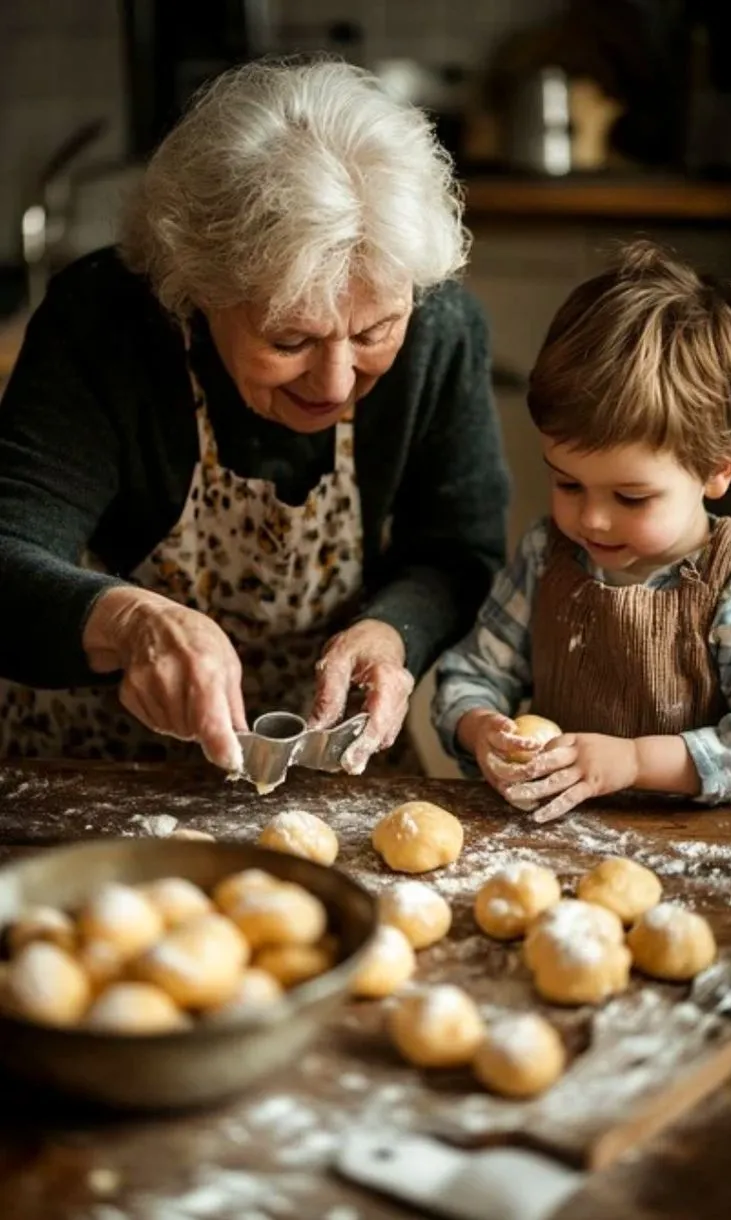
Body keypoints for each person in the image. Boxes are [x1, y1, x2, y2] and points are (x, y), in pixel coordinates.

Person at [0, 59, 509, 776]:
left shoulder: (442, 328)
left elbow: (458, 551)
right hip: (98, 767)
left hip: (332, 763)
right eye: (290, 340)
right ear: (198, 289)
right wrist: (131, 622)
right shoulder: (104, 323)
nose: (336, 382)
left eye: (373, 333)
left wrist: (393, 632)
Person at [433, 240, 731, 821]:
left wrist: (634, 762)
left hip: (691, 849)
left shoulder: (728, 582)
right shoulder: (546, 556)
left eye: (631, 497)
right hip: (555, 841)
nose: (592, 519)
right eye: (568, 484)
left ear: (717, 471)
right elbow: (469, 674)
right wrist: (481, 728)